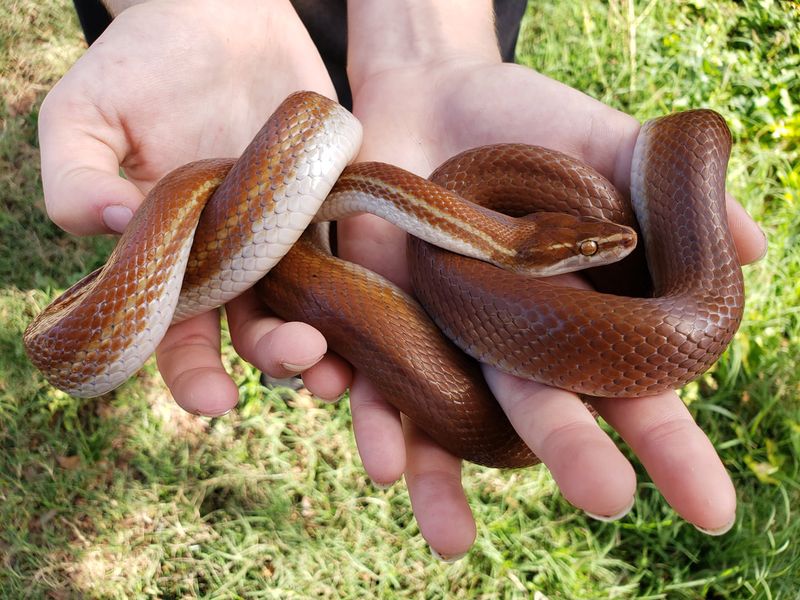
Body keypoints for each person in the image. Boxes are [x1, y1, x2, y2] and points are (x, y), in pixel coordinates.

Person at [42, 0, 767, 561]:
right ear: (531, 253)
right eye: (582, 250)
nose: (604, 248)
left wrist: (430, 50)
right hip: (281, 85)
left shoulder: (463, 209)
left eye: (585, 252)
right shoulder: (459, 217)